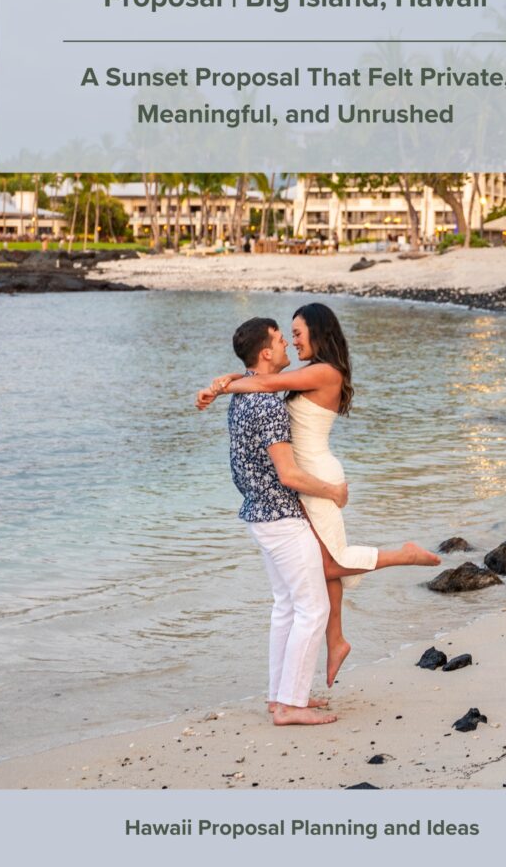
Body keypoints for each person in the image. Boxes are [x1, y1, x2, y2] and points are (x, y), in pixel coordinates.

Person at [197, 303, 440, 689]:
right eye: (287, 336)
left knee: (329, 563)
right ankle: (336, 639)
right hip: (305, 481)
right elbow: (258, 375)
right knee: (323, 563)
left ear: (317, 331)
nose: (293, 341)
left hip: (317, 479)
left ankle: (403, 555)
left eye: (297, 333)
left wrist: (218, 389)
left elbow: (260, 382)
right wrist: (223, 383)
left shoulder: (325, 372)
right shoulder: (309, 373)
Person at [200, 316, 349, 726]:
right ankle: (291, 706)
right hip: (281, 515)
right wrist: (332, 491)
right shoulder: (267, 403)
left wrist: (221, 384)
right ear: (266, 352)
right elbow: (289, 474)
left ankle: (279, 697)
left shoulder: (246, 396)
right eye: (281, 340)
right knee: (312, 609)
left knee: (286, 607)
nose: (286, 345)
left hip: (258, 514)